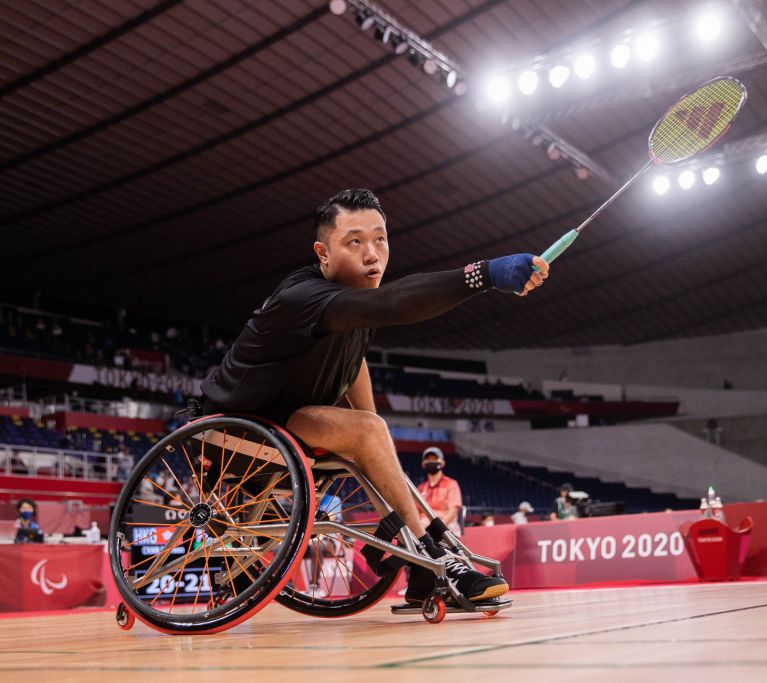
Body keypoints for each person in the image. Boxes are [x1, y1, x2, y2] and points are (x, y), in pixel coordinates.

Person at [200, 188, 548, 606]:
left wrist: (373, 438)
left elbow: (353, 368)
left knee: (374, 437)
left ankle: (422, 567)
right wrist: (484, 275)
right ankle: (431, 553)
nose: (373, 254)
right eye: (355, 242)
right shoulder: (302, 298)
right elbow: (396, 302)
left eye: (380, 239)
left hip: (286, 425)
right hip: (231, 431)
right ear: (323, 253)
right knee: (369, 431)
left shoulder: (356, 308)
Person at [416, 446, 463, 537]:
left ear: (442, 463)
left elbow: (453, 510)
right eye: (428, 459)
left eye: (435, 459)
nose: (431, 461)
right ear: (423, 464)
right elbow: (415, 512)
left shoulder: (451, 484)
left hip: (445, 528)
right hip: (423, 528)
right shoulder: (420, 488)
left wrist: (438, 528)